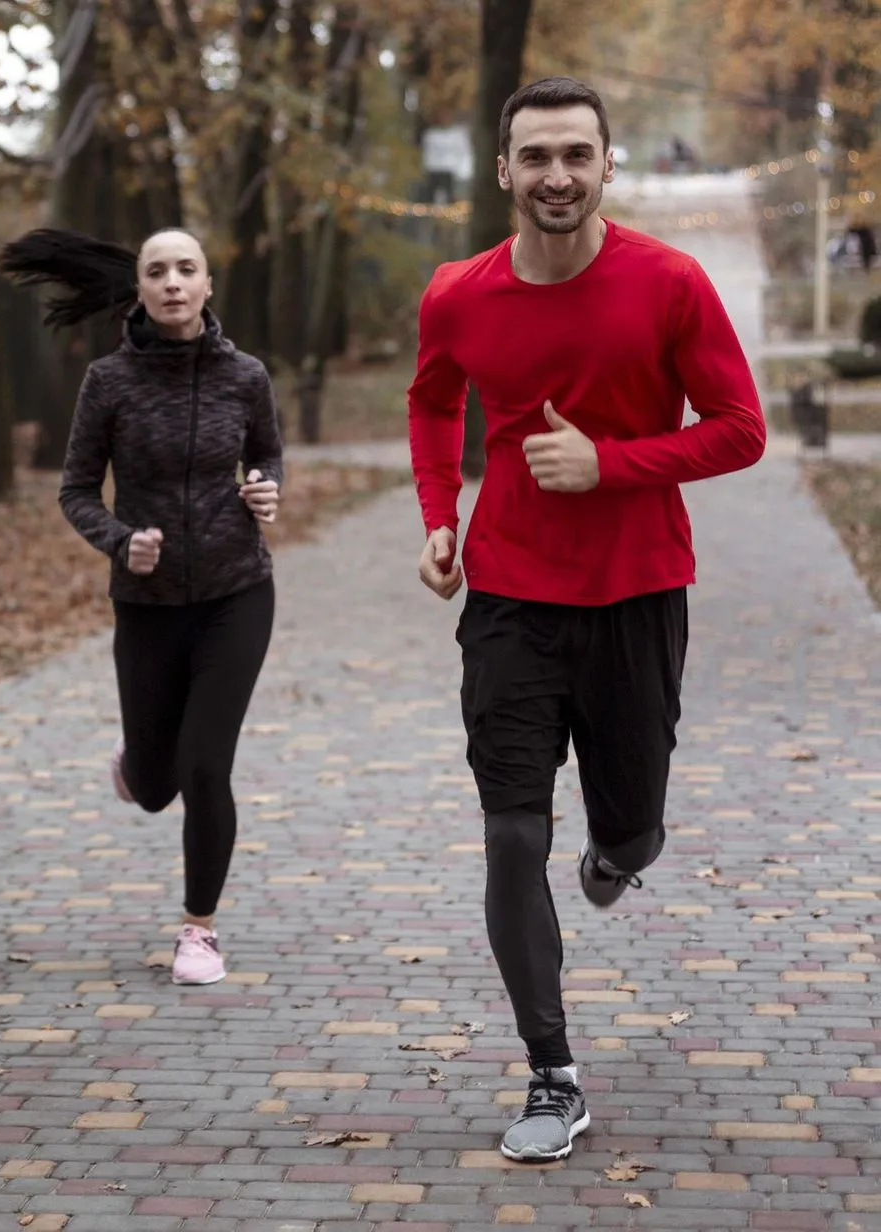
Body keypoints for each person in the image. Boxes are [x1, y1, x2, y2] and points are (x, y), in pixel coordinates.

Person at [406, 77, 766, 1162]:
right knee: (514, 834)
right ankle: (551, 1071)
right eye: (535, 156)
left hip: (638, 593)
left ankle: (621, 851)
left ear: (607, 165)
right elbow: (430, 400)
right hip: (511, 597)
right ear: (505, 170)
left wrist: (610, 464)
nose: (555, 175)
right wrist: (440, 515)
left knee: (632, 825)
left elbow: (741, 429)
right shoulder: (458, 293)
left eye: (576, 154)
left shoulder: (669, 282)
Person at [0, 226, 284, 986]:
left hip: (237, 592)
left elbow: (267, 453)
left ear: (207, 283)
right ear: (141, 288)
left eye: (186, 268)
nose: (172, 283)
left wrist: (263, 487)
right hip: (148, 601)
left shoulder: (246, 376)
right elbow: (74, 489)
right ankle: (137, 763)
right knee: (157, 785)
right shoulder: (109, 382)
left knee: (205, 767)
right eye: (156, 271)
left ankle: (199, 931)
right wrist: (122, 541)